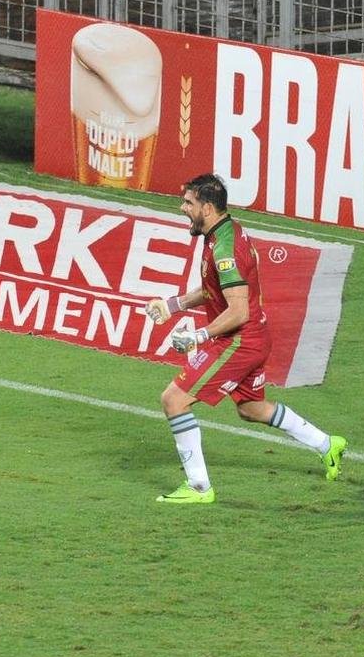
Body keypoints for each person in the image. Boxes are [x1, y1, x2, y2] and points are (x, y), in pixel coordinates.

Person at [143, 174, 347, 504]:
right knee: (252, 409)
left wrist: (198, 336)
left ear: (207, 208)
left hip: (239, 340)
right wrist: (173, 305)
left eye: (188, 203)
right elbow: (216, 290)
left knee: (174, 400)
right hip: (251, 337)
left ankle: (198, 487)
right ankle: (327, 444)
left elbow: (238, 312)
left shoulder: (225, 248)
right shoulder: (222, 233)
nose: (182, 208)